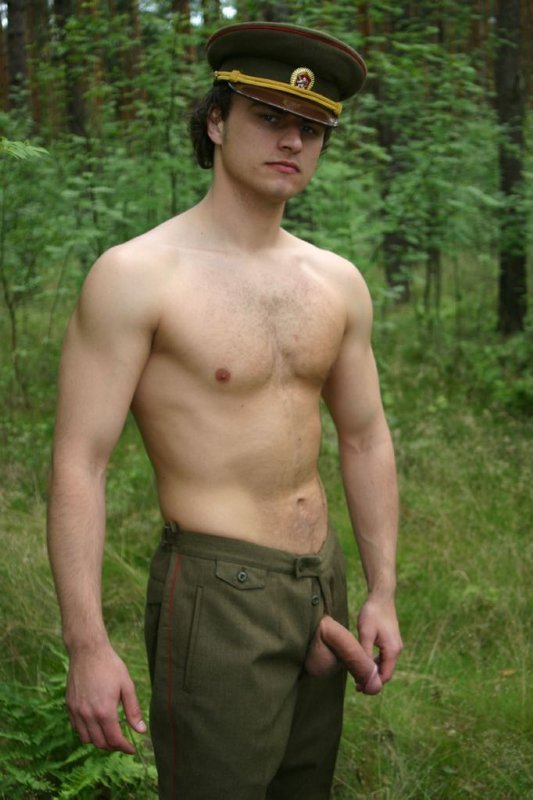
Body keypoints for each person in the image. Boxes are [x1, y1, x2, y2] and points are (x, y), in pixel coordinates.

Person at [47, 20, 402, 800]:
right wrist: (87, 645)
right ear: (215, 121)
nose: (292, 141)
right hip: (217, 593)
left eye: (311, 128)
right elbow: (80, 462)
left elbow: (364, 437)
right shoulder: (138, 276)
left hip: (322, 585)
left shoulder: (335, 281)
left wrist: (380, 590)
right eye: (269, 117)